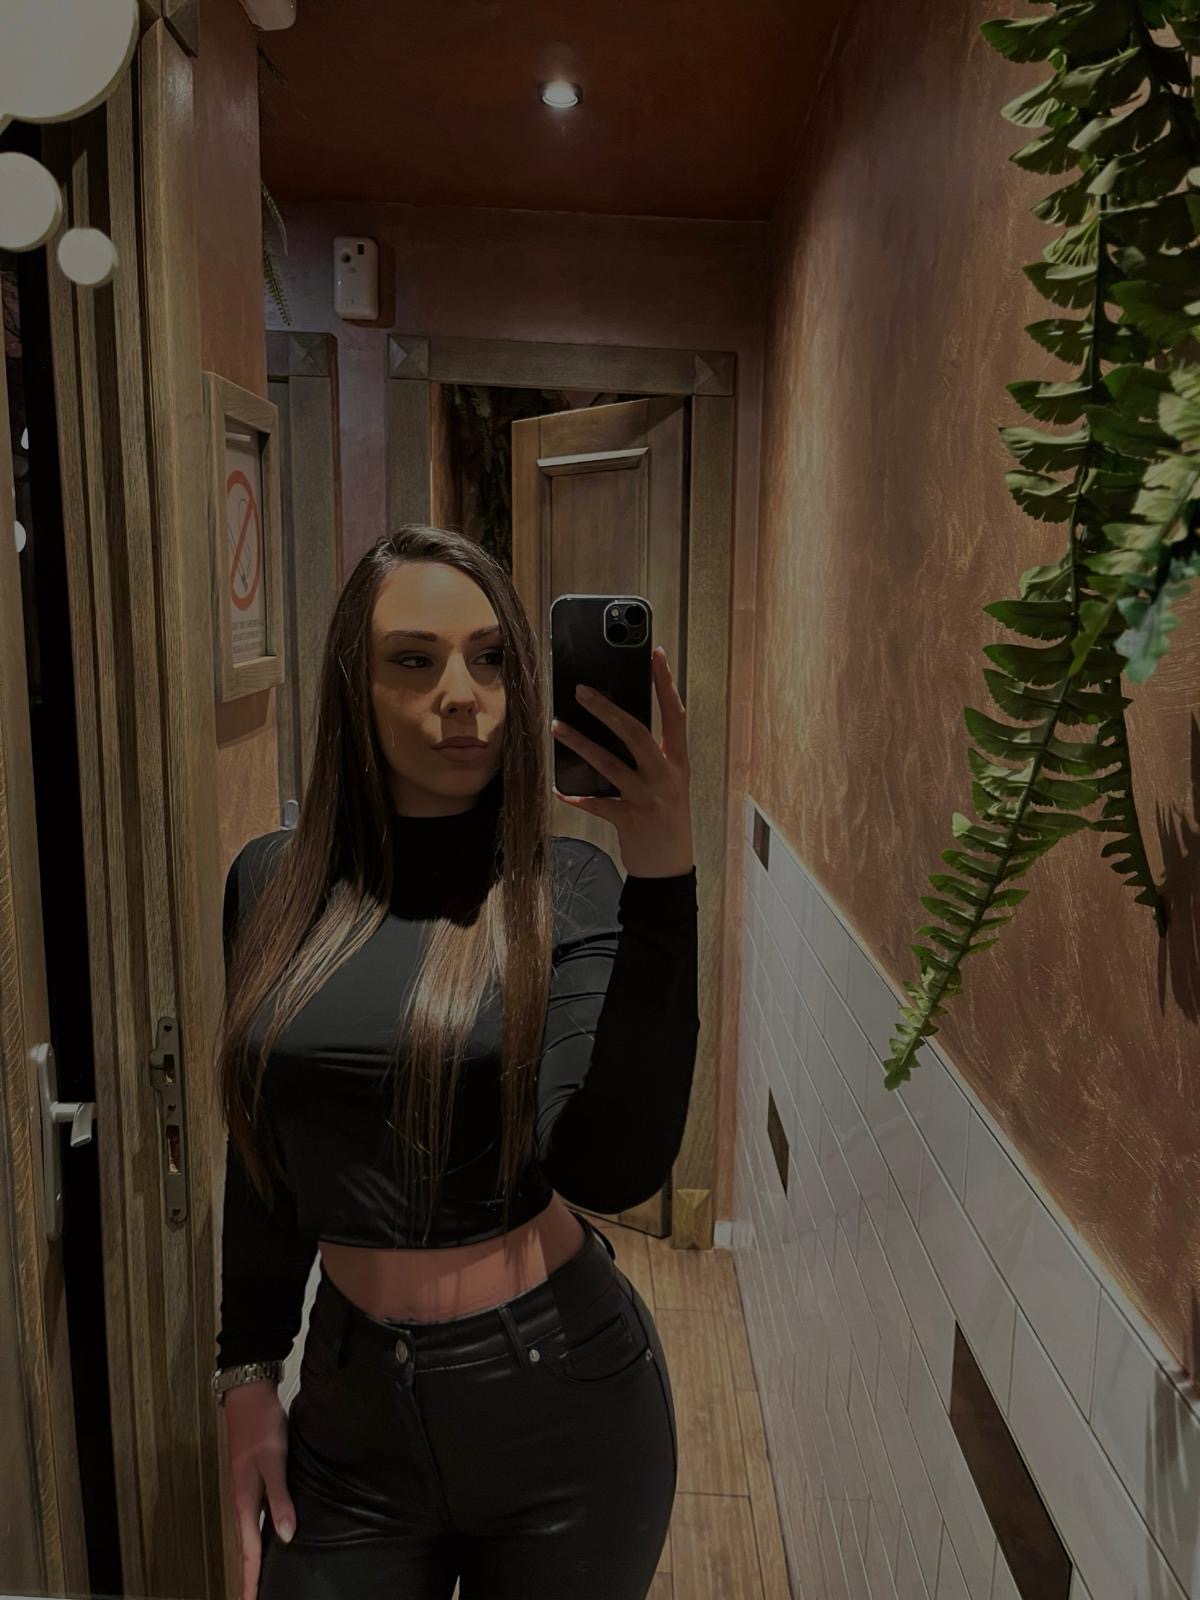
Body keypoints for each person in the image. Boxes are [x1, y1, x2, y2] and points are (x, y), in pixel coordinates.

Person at [211, 524, 700, 1600]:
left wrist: (663, 868)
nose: (463, 697)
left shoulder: (563, 888)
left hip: (561, 1401)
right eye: (413, 659)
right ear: (355, 685)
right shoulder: (271, 886)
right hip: (348, 1406)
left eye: (491, 659)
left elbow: (614, 1167)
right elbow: (267, 1157)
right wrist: (247, 1369)